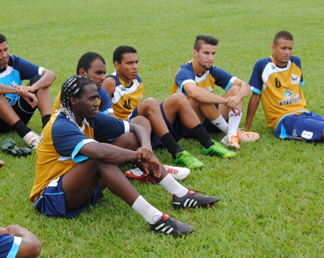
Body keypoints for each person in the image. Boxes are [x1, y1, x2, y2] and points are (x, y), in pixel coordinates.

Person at [31, 76, 220, 238]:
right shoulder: (61, 125)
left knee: (130, 138)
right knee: (100, 159)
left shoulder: (87, 115)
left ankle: (180, 194)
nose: (97, 103)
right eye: (91, 99)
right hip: (51, 197)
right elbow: (100, 153)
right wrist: (139, 155)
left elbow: (137, 125)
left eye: (97, 97)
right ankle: (154, 218)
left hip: (81, 187)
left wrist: (146, 148)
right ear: (73, 101)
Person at [56, 51, 190, 183]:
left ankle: (144, 164)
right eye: (98, 73)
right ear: (83, 73)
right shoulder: (69, 97)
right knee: (144, 112)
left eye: (136, 62)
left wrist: (144, 145)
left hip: (99, 145)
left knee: (139, 124)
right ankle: (147, 164)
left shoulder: (102, 90)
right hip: (84, 153)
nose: (103, 77)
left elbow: (112, 122)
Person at [102, 45, 234, 167]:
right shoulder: (110, 82)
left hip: (144, 128)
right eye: (129, 63)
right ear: (117, 65)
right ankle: (176, 151)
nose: (135, 66)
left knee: (179, 98)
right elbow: (102, 115)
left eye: (136, 62)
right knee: (150, 102)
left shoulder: (137, 79)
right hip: (125, 129)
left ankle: (208, 143)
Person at [171, 35, 260, 150]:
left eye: (213, 53)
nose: (210, 58)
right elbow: (195, 93)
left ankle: (232, 135)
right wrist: (225, 101)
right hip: (187, 125)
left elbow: (245, 86)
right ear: (195, 52)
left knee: (236, 89)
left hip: (208, 120)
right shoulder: (184, 71)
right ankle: (232, 132)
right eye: (206, 53)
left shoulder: (213, 70)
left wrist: (237, 97)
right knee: (200, 96)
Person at [0, 32, 57, 148]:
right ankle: (28, 136)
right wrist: (17, 90)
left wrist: (31, 88)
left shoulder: (15, 62)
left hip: (14, 118)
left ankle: (49, 131)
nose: (4, 55)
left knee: (40, 81)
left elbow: (51, 75)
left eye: (6, 49)